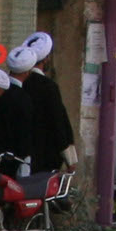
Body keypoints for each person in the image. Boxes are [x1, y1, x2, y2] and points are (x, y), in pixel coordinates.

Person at [9, 31, 77, 172]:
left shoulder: (9, 86)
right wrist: (70, 160)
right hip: (43, 159)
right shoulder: (47, 87)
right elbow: (58, 122)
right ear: (45, 59)